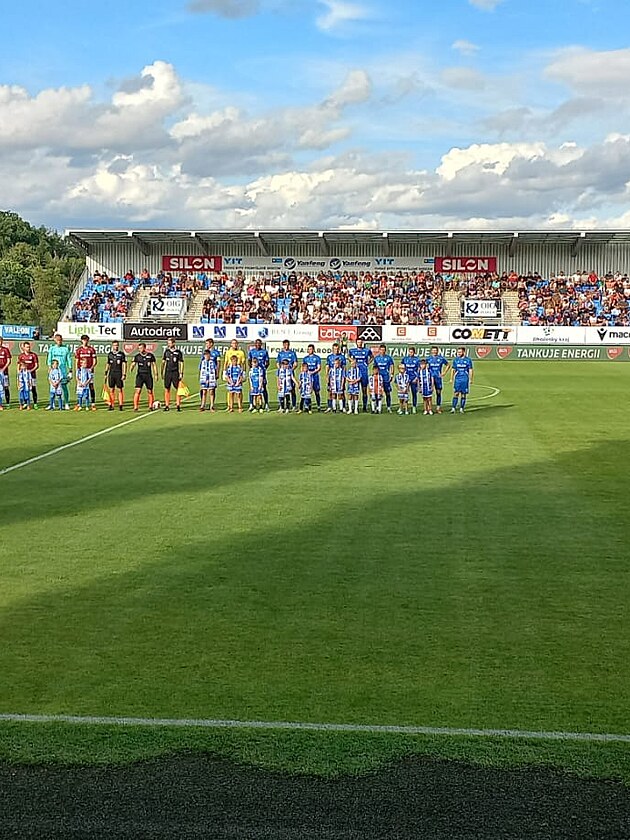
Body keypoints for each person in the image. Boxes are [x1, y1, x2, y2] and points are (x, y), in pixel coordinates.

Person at [46, 334, 73, 410]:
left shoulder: (65, 349)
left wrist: (70, 370)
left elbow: (69, 360)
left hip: (63, 371)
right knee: (53, 387)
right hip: (54, 371)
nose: (59, 342)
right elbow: (49, 359)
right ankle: (52, 404)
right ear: (55, 340)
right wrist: (49, 368)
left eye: (60, 340)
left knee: (64, 387)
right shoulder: (52, 349)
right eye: (57, 340)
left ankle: (66, 403)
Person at [130, 343, 157, 411]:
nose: (140, 349)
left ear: (145, 348)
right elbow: (133, 363)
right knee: (138, 391)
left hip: (148, 376)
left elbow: (154, 365)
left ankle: (150, 406)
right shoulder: (137, 356)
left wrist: (156, 374)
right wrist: (131, 367)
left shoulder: (150, 356)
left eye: (141, 348)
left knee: (150, 391)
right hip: (140, 376)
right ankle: (135, 407)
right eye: (139, 348)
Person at [348, 338, 372, 412]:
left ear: (363, 343)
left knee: (364, 390)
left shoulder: (367, 350)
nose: (359, 343)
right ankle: (353, 407)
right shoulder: (352, 350)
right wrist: (352, 360)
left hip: (364, 372)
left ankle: (364, 407)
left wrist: (367, 363)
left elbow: (372, 357)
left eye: (361, 342)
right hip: (355, 373)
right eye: (358, 342)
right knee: (353, 391)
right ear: (356, 343)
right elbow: (348, 356)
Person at [161, 336, 185, 412]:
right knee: (167, 388)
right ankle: (167, 405)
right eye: (168, 343)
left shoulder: (178, 352)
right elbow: (163, 362)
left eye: (170, 343)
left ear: (174, 343)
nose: (169, 344)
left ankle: (178, 405)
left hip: (175, 372)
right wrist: (162, 371)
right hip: (167, 372)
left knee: (177, 388)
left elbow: (181, 362)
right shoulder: (166, 352)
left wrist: (181, 372)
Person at [75, 334, 98, 406]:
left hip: (89, 370)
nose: (85, 341)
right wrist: (77, 370)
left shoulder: (91, 349)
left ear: (88, 340)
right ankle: (79, 403)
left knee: (90, 386)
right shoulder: (79, 350)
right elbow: (76, 361)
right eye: (83, 340)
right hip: (81, 370)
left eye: (86, 340)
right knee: (80, 386)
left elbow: (95, 361)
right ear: (81, 341)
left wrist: (91, 368)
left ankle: (93, 403)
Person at [248, 338, 270, 411]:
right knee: (252, 388)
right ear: (255, 344)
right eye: (256, 343)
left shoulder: (264, 352)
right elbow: (249, 360)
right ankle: (251, 404)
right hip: (254, 373)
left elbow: (267, 362)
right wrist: (252, 368)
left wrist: (263, 369)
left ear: (261, 344)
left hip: (261, 373)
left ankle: (266, 404)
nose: (258, 345)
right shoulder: (251, 351)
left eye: (259, 343)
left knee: (263, 388)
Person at [426, 346, 450, 414]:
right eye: (433, 350)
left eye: (435, 350)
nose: (434, 352)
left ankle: (438, 407)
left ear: (437, 351)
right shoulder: (428, 359)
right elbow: (423, 366)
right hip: (430, 378)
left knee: (438, 393)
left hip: (438, 378)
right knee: (429, 393)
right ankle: (428, 408)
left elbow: (448, 365)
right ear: (431, 351)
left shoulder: (441, 358)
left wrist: (444, 373)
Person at [105, 340, 127, 411]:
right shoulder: (110, 354)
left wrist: (124, 374)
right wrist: (106, 373)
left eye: (117, 345)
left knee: (119, 389)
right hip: (111, 374)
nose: (116, 346)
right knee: (111, 389)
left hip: (119, 373)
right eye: (114, 345)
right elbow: (108, 364)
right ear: (112, 346)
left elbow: (124, 364)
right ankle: (111, 405)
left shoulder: (121, 354)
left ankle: (120, 405)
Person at [451, 347, 474, 413]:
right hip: (457, 379)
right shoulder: (455, 360)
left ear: (464, 352)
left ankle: (462, 408)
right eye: (458, 352)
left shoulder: (468, 360)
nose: (458, 353)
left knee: (463, 394)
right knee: (456, 393)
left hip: (465, 379)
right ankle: (453, 408)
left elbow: (470, 370)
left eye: (460, 352)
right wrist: (451, 378)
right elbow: (453, 369)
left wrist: (470, 379)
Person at [372, 344, 394, 413]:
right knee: (377, 393)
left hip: (386, 378)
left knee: (387, 393)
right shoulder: (376, 358)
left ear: (385, 350)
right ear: (379, 350)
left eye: (383, 350)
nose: (382, 351)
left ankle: (388, 407)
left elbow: (392, 366)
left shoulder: (388, 358)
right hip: (378, 379)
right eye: (381, 350)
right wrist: (374, 376)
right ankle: (377, 407)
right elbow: (374, 368)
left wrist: (392, 375)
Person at [277, 339, 298, 410]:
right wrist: (281, 370)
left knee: (292, 390)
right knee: (281, 389)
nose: (286, 346)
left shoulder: (292, 353)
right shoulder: (280, 353)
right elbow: (278, 363)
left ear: (289, 345)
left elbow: (295, 363)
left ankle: (294, 405)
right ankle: (281, 406)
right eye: (285, 345)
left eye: (287, 345)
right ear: (283, 345)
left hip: (289, 374)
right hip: (282, 375)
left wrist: (291, 370)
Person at [18, 341, 40, 409]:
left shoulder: (33, 355)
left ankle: (35, 403)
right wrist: (19, 374)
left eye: (29, 347)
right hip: (23, 376)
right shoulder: (21, 356)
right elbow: (18, 366)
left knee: (33, 388)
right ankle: (25, 403)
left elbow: (37, 365)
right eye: (27, 347)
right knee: (24, 389)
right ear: (24, 348)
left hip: (32, 375)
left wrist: (30, 371)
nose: (28, 348)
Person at [325, 342, 346, 412]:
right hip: (332, 377)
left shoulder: (342, 357)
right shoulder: (329, 357)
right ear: (332, 349)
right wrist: (327, 376)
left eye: (337, 349)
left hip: (340, 377)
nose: (336, 350)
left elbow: (344, 367)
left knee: (341, 393)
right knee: (330, 392)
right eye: (334, 349)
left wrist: (344, 377)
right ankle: (330, 406)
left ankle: (343, 407)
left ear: (339, 349)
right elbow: (327, 367)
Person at [303, 344, 323, 411]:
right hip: (307, 377)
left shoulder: (317, 358)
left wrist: (313, 372)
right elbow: (303, 368)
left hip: (315, 376)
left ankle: (318, 405)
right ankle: (306, 406)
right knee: (307, 391)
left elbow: (319, 368)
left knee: (316, 391)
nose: (309, 350)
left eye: (311, 349)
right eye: (308, 349)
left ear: (313, 350)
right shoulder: (305, 359)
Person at [401, 346, 420, 414]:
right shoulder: (405, 359)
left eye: (412, 352)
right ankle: (403, 407)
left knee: (414, 393)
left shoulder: (417, 359)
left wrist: (417, 377)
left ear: (414, 352)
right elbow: (402, 367)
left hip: (413, 378)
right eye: (409, 352)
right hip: (406, 378)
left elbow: (418, 369)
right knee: (404, 393)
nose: (410, 353)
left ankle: (414, 407)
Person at [0, 337, 12, 406]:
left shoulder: (5, 350)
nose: (0, 342)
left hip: (4, 372)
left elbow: (8, 361)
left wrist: (3, 368)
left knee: (6, 386)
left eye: (1, 341)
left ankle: (7, 403)